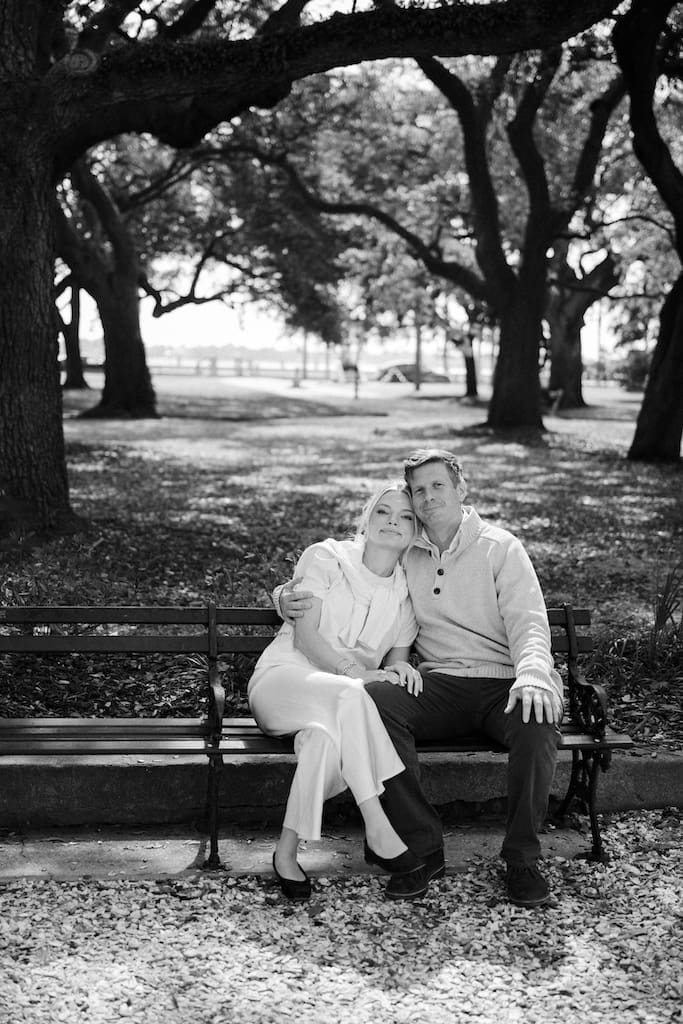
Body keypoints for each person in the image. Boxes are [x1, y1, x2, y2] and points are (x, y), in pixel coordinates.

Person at [279, 449, 564, 908]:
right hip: (442, 685)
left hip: (505, 682)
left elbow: (528, 621)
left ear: (461, 489)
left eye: (437, 486)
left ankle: (522, 859)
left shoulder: (500, 547)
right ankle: (420, 848)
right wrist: (284, 597)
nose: (428, 497)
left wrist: (532, 674)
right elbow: (349, 565)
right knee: (376, 700)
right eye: (418, 490)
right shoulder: (407, 550)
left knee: (538, 720)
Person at [248, 482, 425, 902]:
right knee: (351, 694)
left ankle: (286, 853)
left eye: (405, 517)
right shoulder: (327, 557)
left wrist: (401, 668)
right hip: (282, 682)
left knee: (323, 745)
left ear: (415, 532)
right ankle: (377, 823)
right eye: (383, 512)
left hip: (336, 708)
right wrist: (357, 674)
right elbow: (306, 638)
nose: (393, 522)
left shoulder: (404, 595)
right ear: (366, 518)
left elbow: (394, 661)